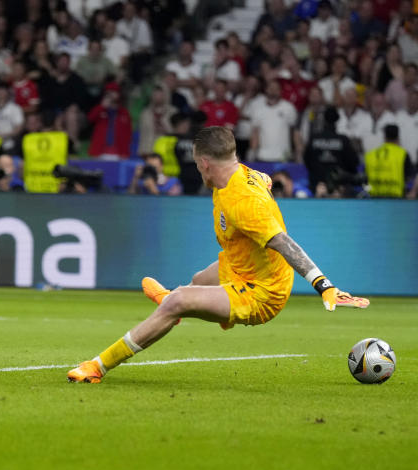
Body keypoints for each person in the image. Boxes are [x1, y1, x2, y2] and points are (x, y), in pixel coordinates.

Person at [68, 126, 365, 384]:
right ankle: (172, 302)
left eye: (198, 164)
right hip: (241, 265)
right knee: (198, 280)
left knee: (181, 300)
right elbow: (265, 179)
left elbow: (284, 243)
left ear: (206, 163)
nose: (198, 170)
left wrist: (323, 284)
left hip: (262, 290)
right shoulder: (242, 174)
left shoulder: (244, 202)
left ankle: (99, 365)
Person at [364, 124, 418, 198]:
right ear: (398, 137)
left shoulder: (370, 155)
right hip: (396, 198)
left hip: (374, 197)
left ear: (384, 136)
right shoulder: (402, 154)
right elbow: (410, 176)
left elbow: (365, 179)